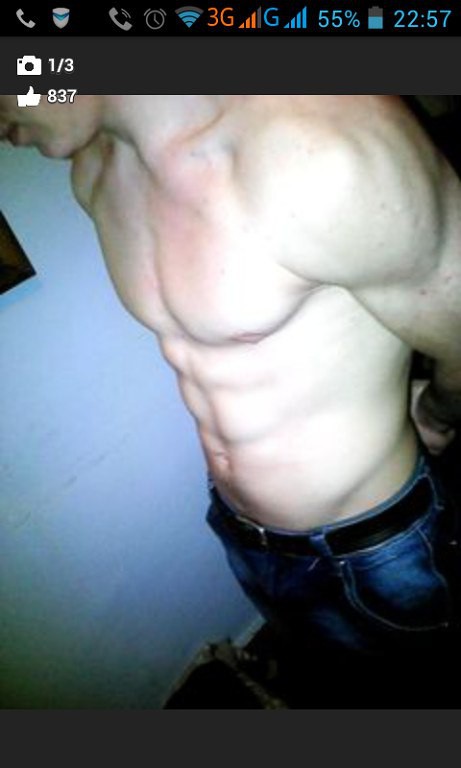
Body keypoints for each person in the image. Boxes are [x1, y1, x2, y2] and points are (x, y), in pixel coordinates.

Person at [1, 96, 460, 693]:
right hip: (242, 531)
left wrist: (436, 416)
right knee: (331, 685)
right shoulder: (95, 172)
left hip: (372, 551)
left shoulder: (325, 146)